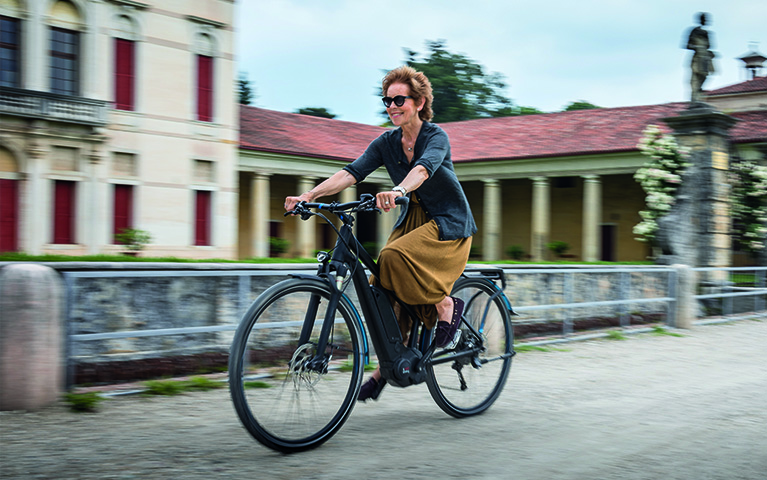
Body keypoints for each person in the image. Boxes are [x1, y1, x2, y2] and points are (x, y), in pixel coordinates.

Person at [284, 66, 477, 402]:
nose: (391, 106)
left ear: (419, 102)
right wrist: (309, 195)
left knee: (392, 256)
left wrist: (398, 190)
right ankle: (388, 368)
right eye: (387, 100)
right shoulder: (387, 142)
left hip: (448, 223)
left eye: (399, 100)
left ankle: (444, 304)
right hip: (412, 221)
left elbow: (423, 169)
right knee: (382, 285)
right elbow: (351, 172)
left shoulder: (436, 137)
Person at [685, 12, 715, 103]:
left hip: (705, 57)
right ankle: (695, 95)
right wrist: (697, 47)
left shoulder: (706, 33)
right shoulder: (694, 31)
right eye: (705, 19)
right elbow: (687, 45)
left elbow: (709, 46)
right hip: (698, 57)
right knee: (696, 75)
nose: (707, 21)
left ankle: (699, 91)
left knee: (705, 75)